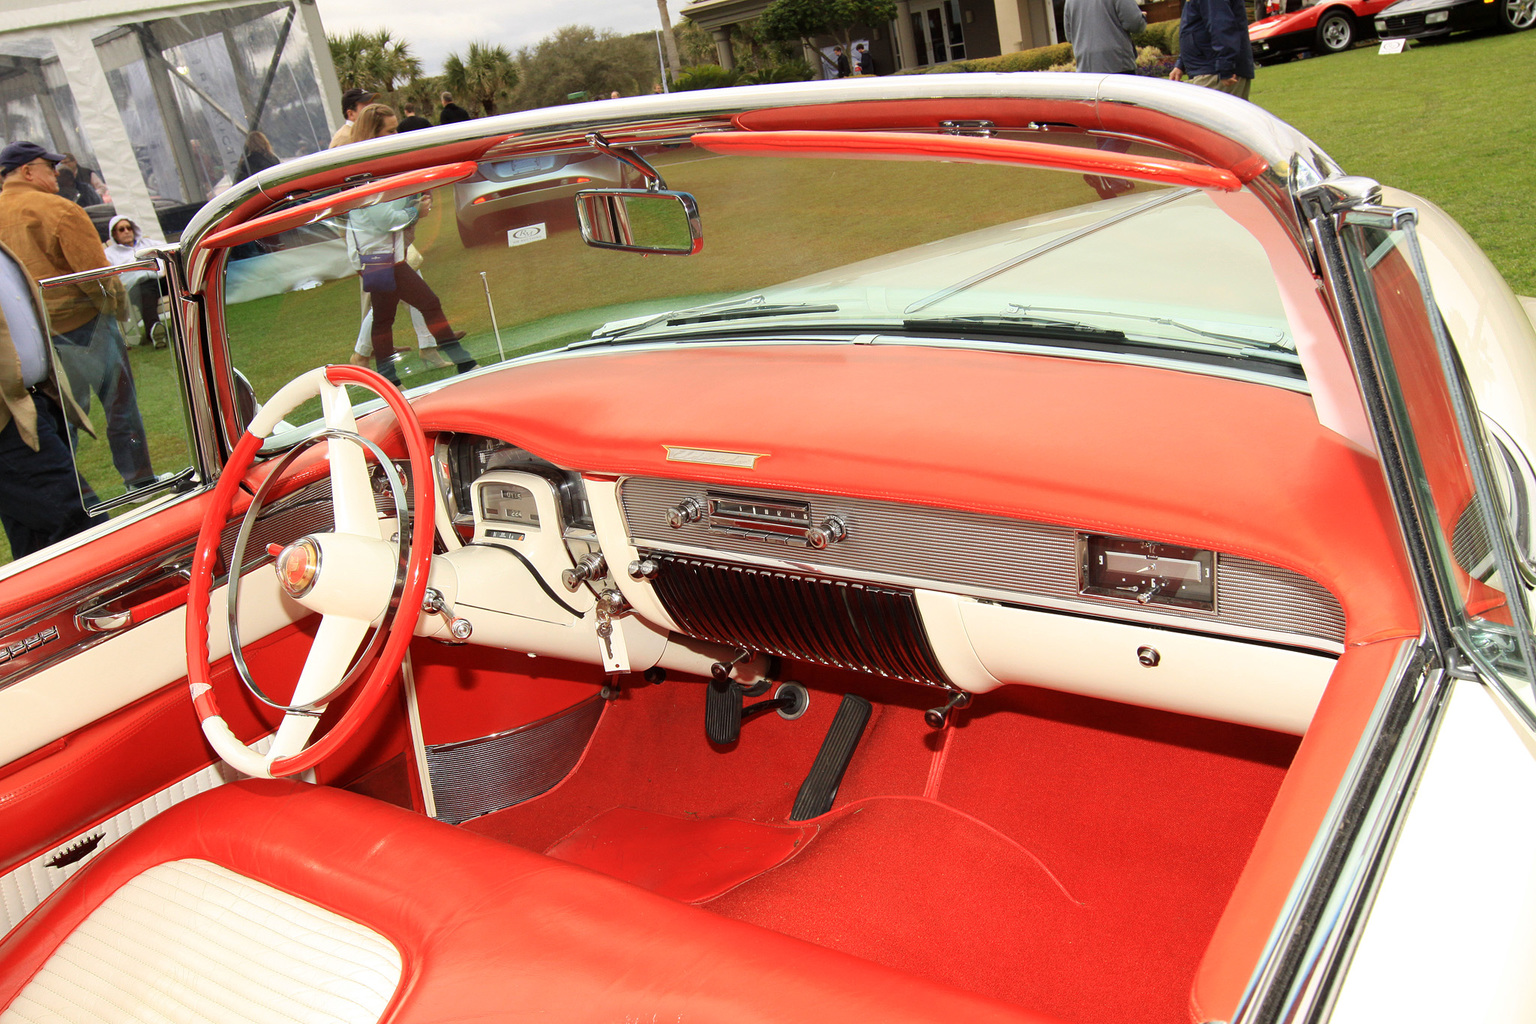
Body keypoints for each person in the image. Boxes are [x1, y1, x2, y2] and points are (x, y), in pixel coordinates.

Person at [0, 142, 156, 492]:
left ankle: (73, 491)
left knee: (60, 420)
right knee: (120, 406)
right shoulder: (60, 210)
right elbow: (97, 277)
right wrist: (118, 309)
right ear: (27, 172)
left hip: (30, 340)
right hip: (83, 324)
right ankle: (140, 482)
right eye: (48, 166)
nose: (56, 173)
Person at [343, 105, 475, 383]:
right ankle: (461, 361)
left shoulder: (372, 165)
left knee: (385, 318)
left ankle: (392, 377)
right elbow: (385, 218)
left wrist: (414, 200)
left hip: (382, 255)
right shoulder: (367, 170)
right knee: (424, 304)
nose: (396, 134)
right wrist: (416, 210)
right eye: (390, 130)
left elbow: (387, 212)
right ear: (373, 133)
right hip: (379, 256)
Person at [0, 237, 107, 559]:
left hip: (35, 400)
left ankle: (48, 611)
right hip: (7, 420)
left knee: (34, 538)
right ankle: (111, 607)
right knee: (80, 520)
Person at [1170, 0, 1256, 99]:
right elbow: (1196, 26)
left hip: (1214, 71)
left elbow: (1221, 27)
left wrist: (1225, 67)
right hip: (1210, 67)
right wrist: (1181, 64)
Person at [104, 216, 168, 350]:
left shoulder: (149, 243)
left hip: (161, 279)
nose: (127, 231)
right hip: (134, 288)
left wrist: (166, 270)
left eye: (129, 228)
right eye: (122, 229)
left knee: (177, 283)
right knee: (145, 291)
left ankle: (186, 325)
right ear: (114, 234)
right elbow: (111, 276)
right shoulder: (109, 254)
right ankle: (155, 333)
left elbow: (168, 253)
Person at [1063, 0, 1146, 73]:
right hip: (1117, 65)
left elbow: (1069, 36)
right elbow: (1135, 24)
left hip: (1085, 69)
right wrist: (1142, 17)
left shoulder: (1069, 1)